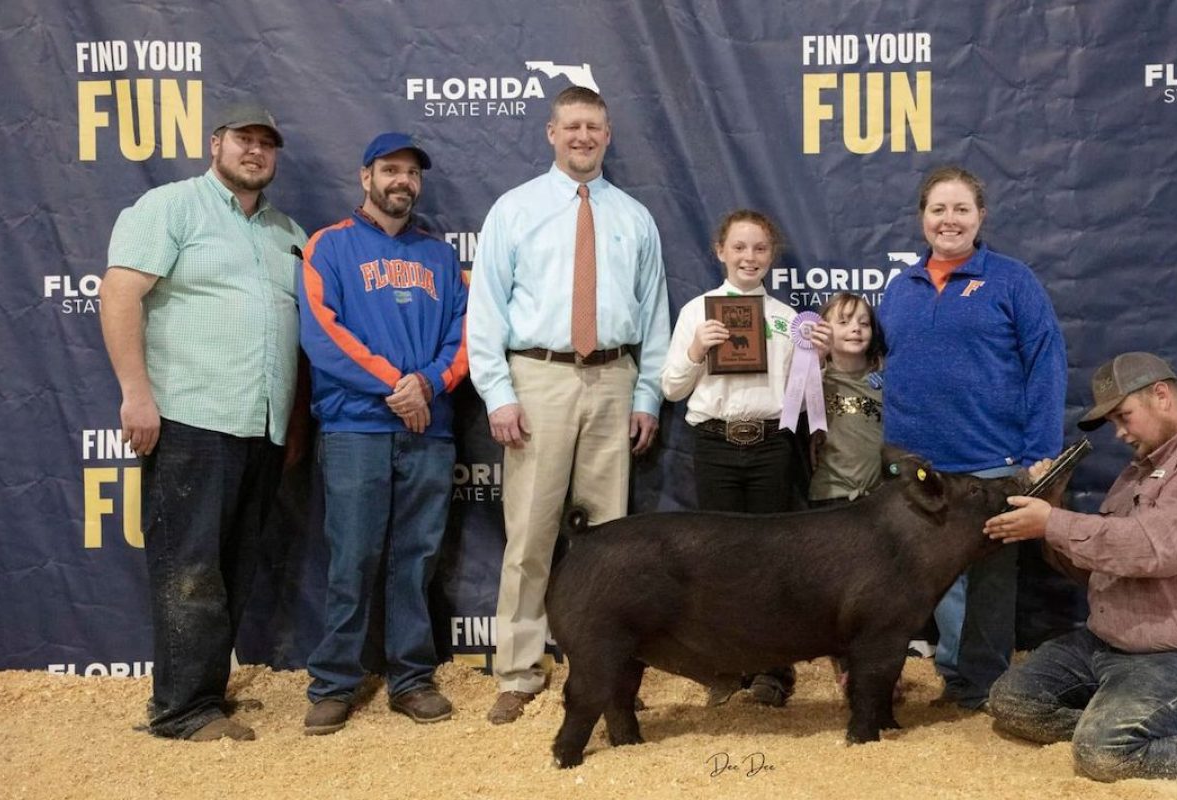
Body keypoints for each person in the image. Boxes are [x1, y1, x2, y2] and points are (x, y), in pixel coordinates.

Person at [984, 352, 1177, 782]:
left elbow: (1157, 549)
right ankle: (1159, 722)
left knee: (1106, 752)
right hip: (1112, 645)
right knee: (1012, 701)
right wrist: (1053, 510)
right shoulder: (1138, 472)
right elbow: (1102, 571)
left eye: (1124, 416)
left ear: (1161, 395)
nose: (1119, 433)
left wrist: (1055, 522)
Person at [100, 99, 306, 741]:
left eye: (267, 143)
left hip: (261, 425)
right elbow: (119, 292)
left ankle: (205, 693)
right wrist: (136, 394)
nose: (255, 151)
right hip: (189, 415)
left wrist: (293, 426)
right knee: (189, 565)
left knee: (233, 566)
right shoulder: (169, 207)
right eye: (244, 139)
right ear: (215, 143)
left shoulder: (287, 233)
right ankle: (181, 710)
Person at [467, 86, 671, 725]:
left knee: (609, 540)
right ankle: (519, 670)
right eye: (572, 126)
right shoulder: (515, 210)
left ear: (608, 136)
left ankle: (601, 666)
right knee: (529, 534)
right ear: (551, 133)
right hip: (539, 377)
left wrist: (646, 397)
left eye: (594, 127)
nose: (583, 136)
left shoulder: (634, 217)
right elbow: (486, 311)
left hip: (614, 378)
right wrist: (499, 393)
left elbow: (655, 317)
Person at [296, 133, 469, 735]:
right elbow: (323, 334)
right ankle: (335, 683)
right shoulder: (328, 246)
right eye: (390, 170)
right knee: (352, 557)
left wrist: (427, 385)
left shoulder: (441, 257)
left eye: (411, 173)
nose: (402, 181)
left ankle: (411, 678)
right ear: (365, 176)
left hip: (429, 429)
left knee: (415, 560)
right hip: (356, 428)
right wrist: (399, 386)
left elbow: (464, 335)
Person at [876, 165, 1066, 710]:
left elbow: (1045, 363)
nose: (949, 219)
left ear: (981, 216)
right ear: (922, 218)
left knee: (989, 583)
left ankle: (982, 684)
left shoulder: (1011, 280)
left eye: (961, 209)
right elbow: (885, 367)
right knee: (933, 579)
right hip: (916, 466)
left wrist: (1039, 451)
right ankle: (955, 673)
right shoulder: (901, 288)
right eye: (938, 209)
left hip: (990, 462)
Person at [660, 209, 828, 707]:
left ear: (771, 256)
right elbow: (670, 389)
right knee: (717, 563)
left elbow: (800, 396)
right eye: (739, 247)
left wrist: (818, 357)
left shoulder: (787, 321)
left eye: (758, 248)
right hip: (714, 444)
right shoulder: (697, 311)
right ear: (720, 251)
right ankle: (725, 668)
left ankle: (774, 672)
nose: (749, 256)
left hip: (772, 446)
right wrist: (695, 349)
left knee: (772, 563)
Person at [808, 292, 884, 507]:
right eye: (843, 321)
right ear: (823, 330)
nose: (856, 328)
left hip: (879, 498)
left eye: (864, 323)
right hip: (829, 496)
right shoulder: (813, 378)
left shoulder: (886, 378)